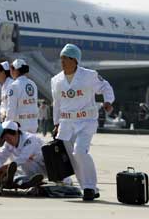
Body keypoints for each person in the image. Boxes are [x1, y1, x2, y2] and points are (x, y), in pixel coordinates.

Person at [51, 44, 114, 201]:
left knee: (79, 152)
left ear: (75, 60)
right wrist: (56, 123)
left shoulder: (89, 76)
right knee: (73, 158)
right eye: (61, 59)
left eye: (65, 58)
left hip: (86, 121)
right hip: (66, 123)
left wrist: (108, 101)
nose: (62, 62)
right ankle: (86, 187)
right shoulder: (56, 80)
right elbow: (56, 103)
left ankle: (90, 187)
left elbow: (106, 87)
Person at [6, 59, 39, 133]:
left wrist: (6, 124)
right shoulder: (33, 84)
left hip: (20, 126)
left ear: (16, 71)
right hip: (33, 124)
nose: (10, 73)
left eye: (11, 70)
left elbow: (11, 108)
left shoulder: (14, 86)